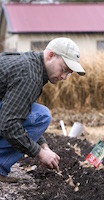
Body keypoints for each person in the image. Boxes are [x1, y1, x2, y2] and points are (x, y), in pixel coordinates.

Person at [0, 37, 86, 183]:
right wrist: (39, 153)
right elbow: (8, 124)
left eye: (68, 73)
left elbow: (21, 110)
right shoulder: (30, 76)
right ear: (50, 55)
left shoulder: (31, 64)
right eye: (64, 69)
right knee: (42, 115)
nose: (64, 77)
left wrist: (43, 145)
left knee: (37, 113)